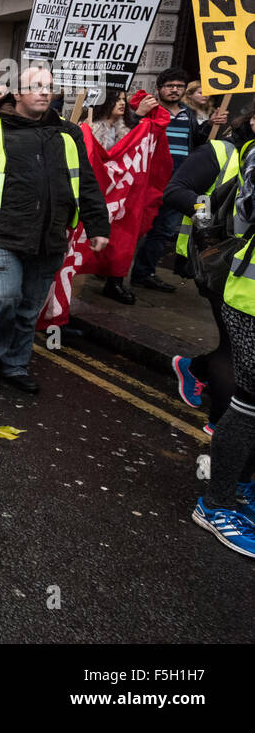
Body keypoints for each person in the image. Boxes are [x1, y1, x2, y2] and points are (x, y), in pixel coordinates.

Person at [0, 66, 111, 393]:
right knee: (4, 298)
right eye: (35, 86)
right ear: (17, 94)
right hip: (0, 235)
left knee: (28, 308)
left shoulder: (68, 134)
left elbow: (87, 183)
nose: (43, 92)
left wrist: (97, 225)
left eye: (48, 87)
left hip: (49, 238)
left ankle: (15, 364)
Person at [166, 108, 254, 433]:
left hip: (248, 268)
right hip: (216, 262)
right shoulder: (220, 150)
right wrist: (207, 218)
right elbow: (175, 191)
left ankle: (194, 368)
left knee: (239, 345)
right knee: (234, 348)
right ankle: (220, 424)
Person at [191, 139, 255, 557]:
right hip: (250, 297)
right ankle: (216, 504)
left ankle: (242, 488)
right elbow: (246, 212)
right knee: (250, 401)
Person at [131, 67, 228, 292]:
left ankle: (144, 273)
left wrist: (213, 124)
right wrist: (139, 115)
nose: (174, 90)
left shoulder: (187, 114)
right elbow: (129, 135)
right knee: (134, 227)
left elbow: (197, 140)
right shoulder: (149, 109)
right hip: (146, 180)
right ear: (158, 89)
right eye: (169, 86)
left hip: (176, 184)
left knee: (163, 230)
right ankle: (111, 272)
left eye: (179, 87)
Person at [87, 90, 162, 305]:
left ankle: (115, 281)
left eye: (123, 99)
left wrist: (138, 118)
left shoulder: (130, 128)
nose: (122, 103)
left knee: (122, 239)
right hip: (97, 193)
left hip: (122, 195)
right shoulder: (90, 126)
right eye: (116, 99)